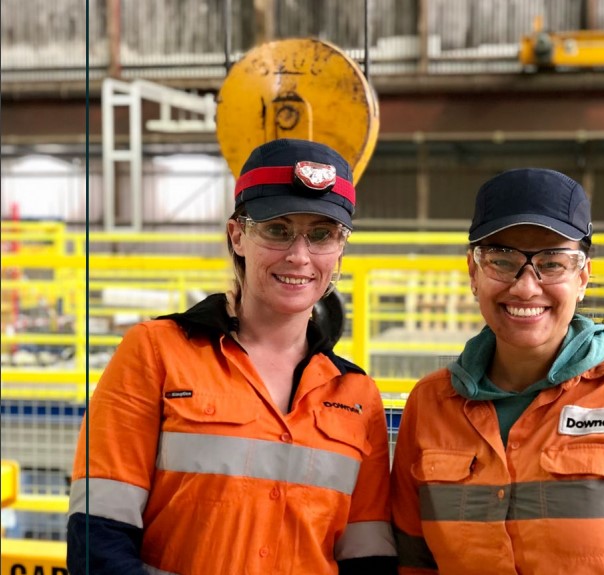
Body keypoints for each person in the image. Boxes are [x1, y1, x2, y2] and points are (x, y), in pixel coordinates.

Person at [67, 138, 398, 575]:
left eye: (322, 235)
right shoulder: (155, 353)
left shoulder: (357, 397)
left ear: (340, 249)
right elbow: (98, 542)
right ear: (237, 235)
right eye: (277, 230)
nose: (300, 256)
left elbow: (368, 559)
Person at [390, 168, 604, 575]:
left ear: (583, 277)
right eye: (502, 261)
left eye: (552, 263)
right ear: (473, 272)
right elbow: (413, 564)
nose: (525, 287)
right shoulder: (431, 404)